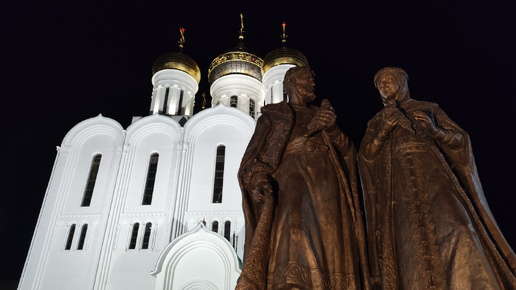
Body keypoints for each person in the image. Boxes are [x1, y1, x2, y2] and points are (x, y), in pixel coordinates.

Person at [358, 67, 516, 289]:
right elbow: (366, 157)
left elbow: (461, 140)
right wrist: (384, 130)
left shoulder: (428, 108)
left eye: (389, 81)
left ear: (402, 83)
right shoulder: (376, 121)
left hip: (436, 179)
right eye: (380, 85)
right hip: (399, 191)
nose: (384, 86)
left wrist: (435, 131)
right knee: (410, 249)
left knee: (461, 228)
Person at [236, 66, 369, 289]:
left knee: (332, 243)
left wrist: (333, 128)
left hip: (328, 185)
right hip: (291, 181)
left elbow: (348, 152)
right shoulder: (273, 116)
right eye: (308, 78)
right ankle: (292, 283)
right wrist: (259, 179)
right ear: (292, 83)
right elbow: (254, 156)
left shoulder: (322, 114)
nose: (313, 83)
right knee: (295, 230)